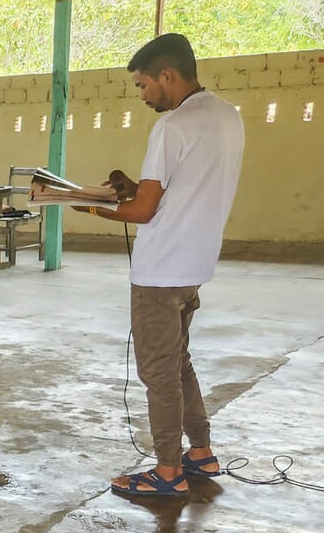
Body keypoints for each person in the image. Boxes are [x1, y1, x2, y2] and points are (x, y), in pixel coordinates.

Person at [73, 33, 243, 498]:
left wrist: (87, 205)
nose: (142, 94)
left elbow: (144, 212)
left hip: (159, 269)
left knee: (158, 373)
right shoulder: (227, 116)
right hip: (193, 264)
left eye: (143, 84)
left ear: (167, 76)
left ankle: (168, 472)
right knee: (178, 361)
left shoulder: (173, 126)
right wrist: (130, 187)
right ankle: (201, 452)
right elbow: (181, 188)